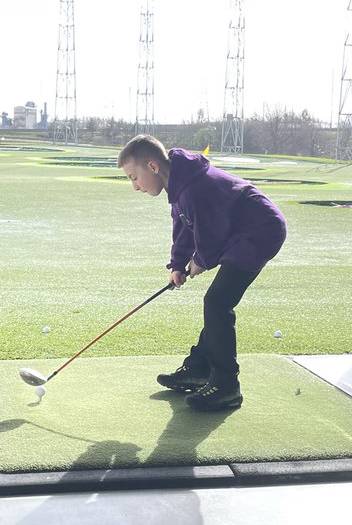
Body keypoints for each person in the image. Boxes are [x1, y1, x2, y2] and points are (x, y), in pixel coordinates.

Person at [118, 134, 287, 411]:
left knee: (218, 302)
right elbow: (184, 228)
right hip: (240, 233)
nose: (135, 187)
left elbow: (210, 235)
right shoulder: (179, 186)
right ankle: (198, 368)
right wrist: (177, 264)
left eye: (133, 177)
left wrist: (198, 262)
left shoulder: (194, 188)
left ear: (152, 166)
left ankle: (226, 385)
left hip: (260, 231)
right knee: (216, 302)